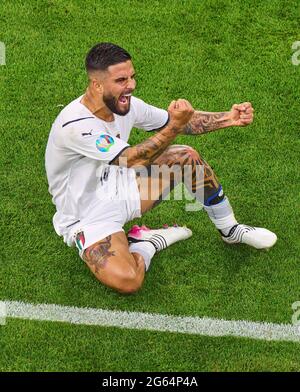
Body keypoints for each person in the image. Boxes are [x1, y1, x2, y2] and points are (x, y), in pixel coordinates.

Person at [45, 42, 277, 294]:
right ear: (97, 84)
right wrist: (174, 127)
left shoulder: (124, 104)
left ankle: (230, 229)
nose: (131, 85)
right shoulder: (76, 126)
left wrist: (228, 118)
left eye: (132, 76)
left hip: (121, 185)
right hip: (87, 216)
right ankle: (147, 243)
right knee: (129, 281)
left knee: (185, 156)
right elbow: (130, 160)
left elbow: (177, 122)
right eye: (121, 80)